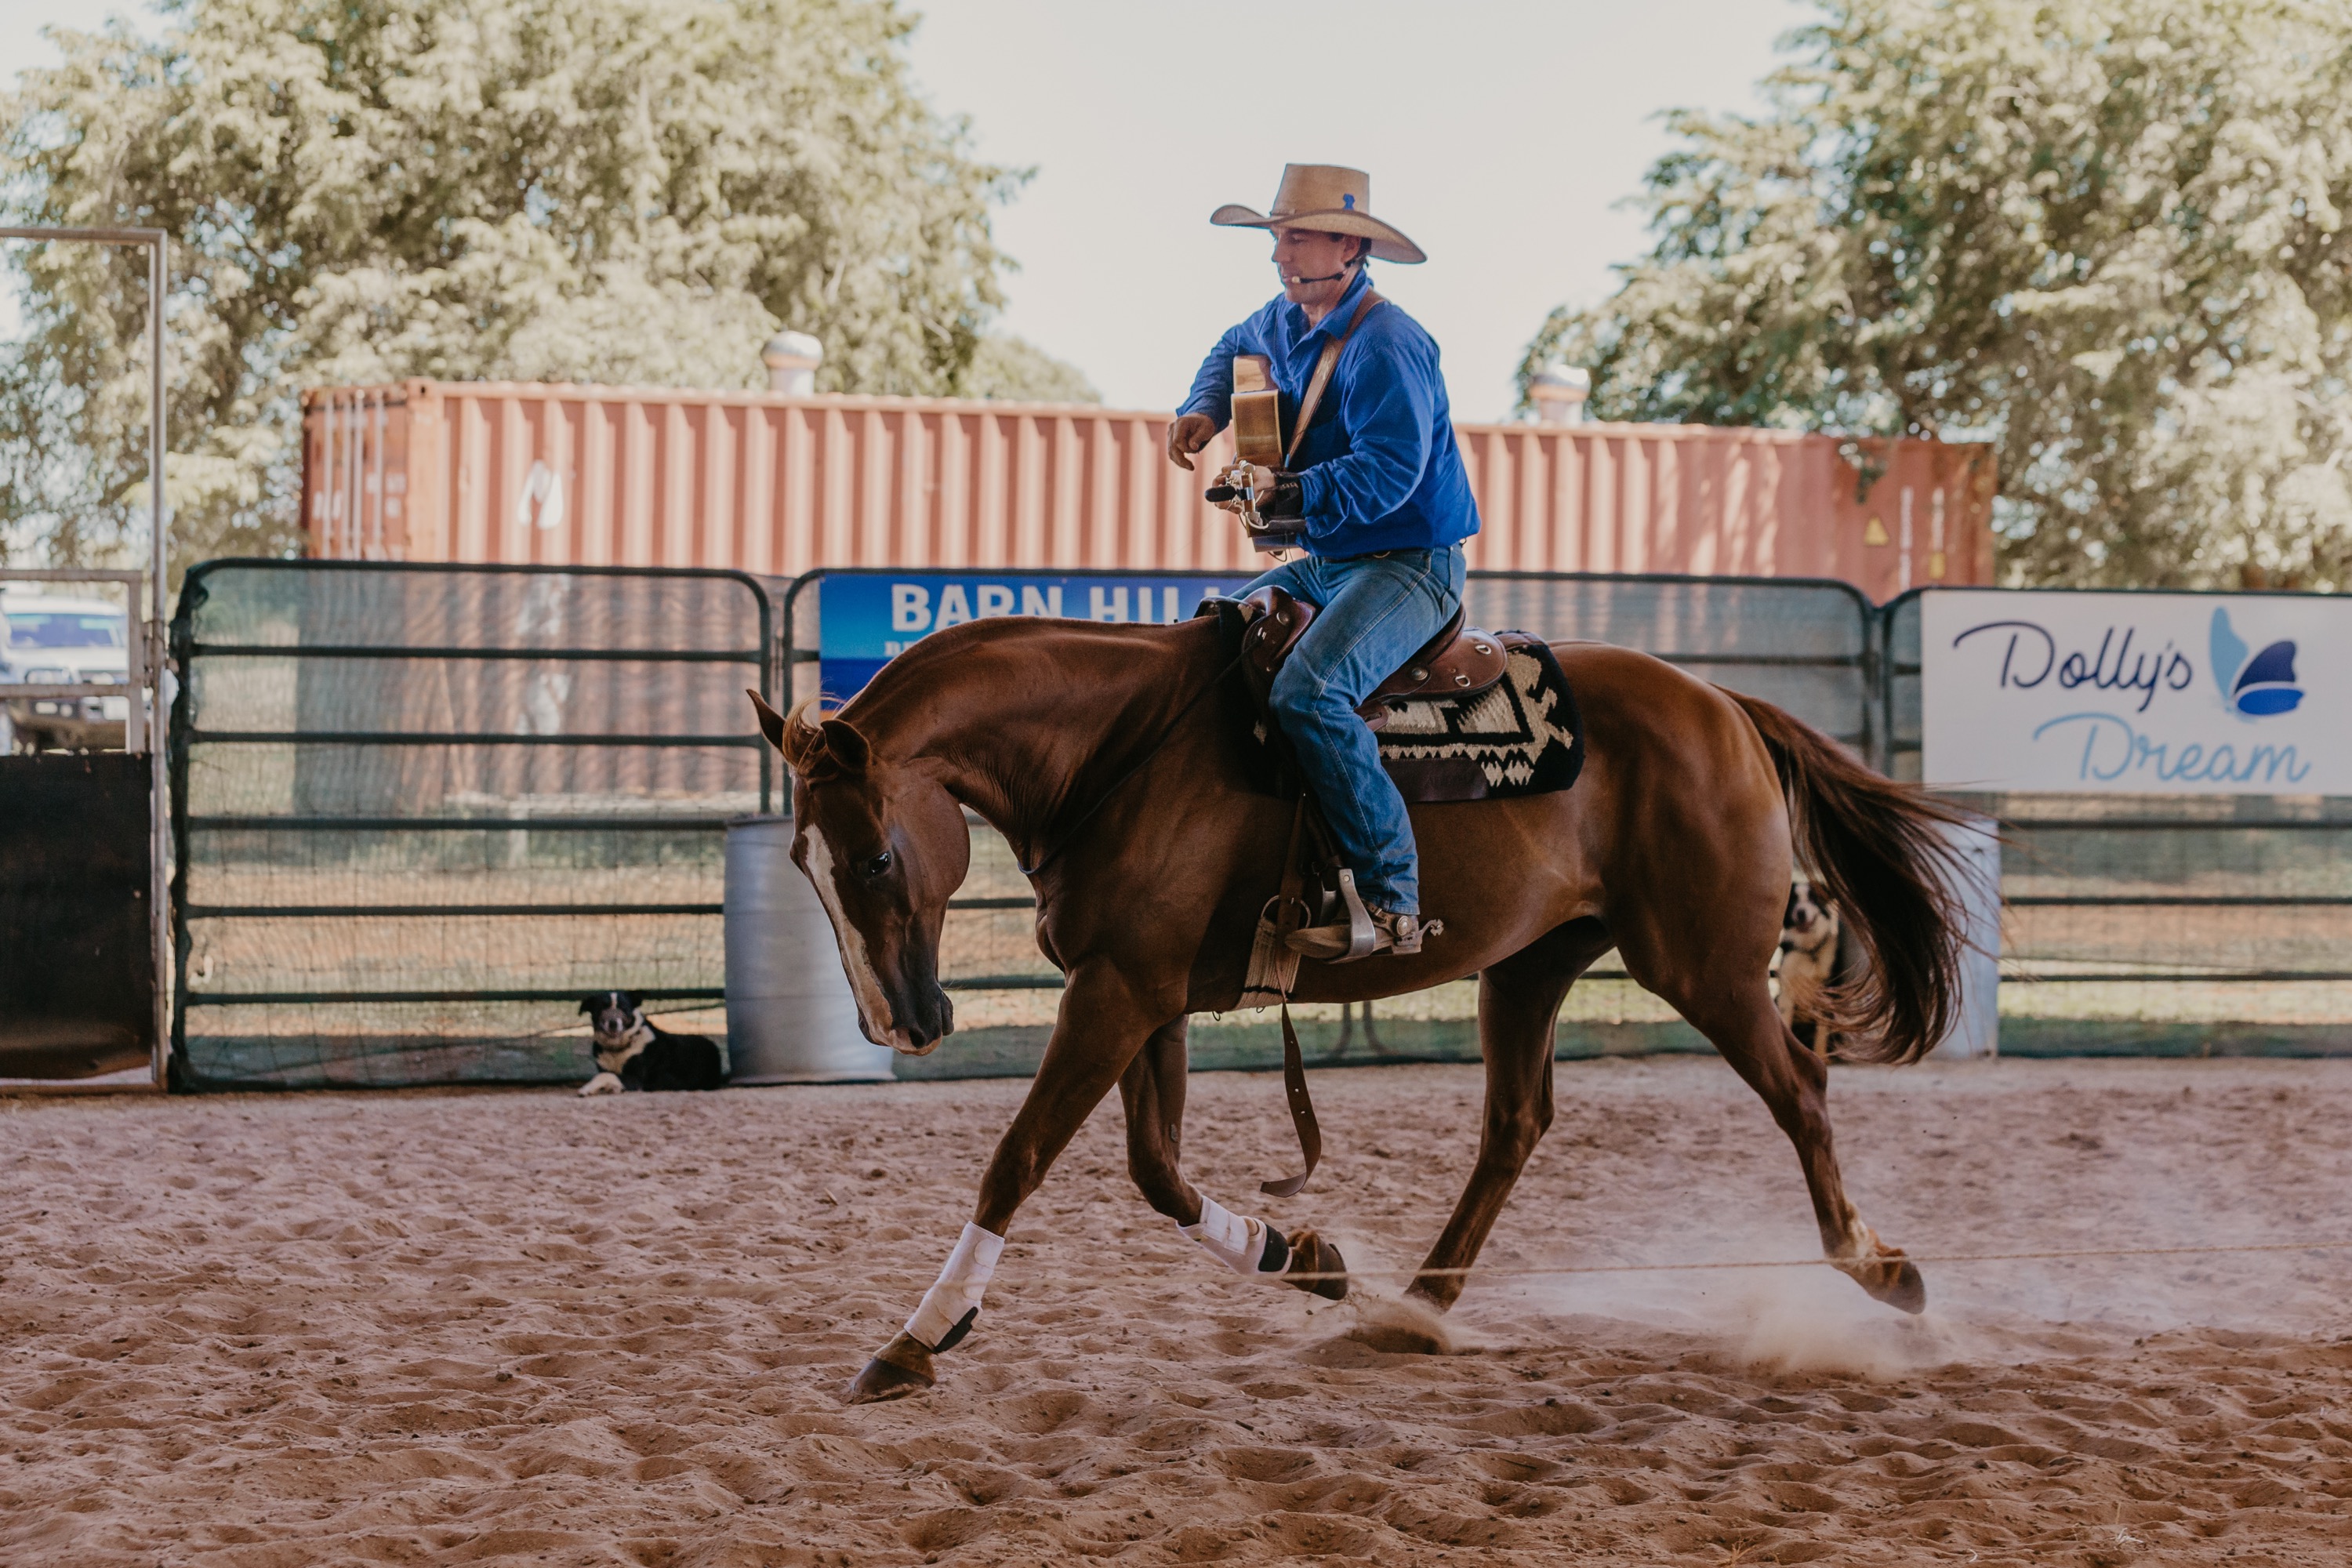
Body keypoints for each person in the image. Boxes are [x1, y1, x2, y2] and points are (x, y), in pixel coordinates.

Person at [1169, 164, 1480, 960]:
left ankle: (1391, 901)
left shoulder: (1390, 343)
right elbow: (1230, 347)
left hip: (1408, 564)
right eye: (1276, 236)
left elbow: (1391, 472)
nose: (1279, 253)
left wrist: (1286, 485)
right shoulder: (1279, 319)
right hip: (1335, 559)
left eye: (1296, 235)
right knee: (1211, 638)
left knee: (1311, 690)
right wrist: (1202, 407)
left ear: (1348, 244)